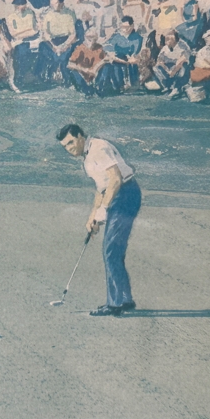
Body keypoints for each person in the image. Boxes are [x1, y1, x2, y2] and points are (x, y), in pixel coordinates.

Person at [57, 123, 141, 316]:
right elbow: (101, 188)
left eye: (71, 142)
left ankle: (116, 303)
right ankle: (124, 299)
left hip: (126, 195)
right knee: (113, 250)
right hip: (116, 195)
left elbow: (116, 179)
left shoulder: (99, 148)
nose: (70, 149)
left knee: (111, 250)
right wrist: (93, 216)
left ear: (80, 136)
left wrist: (104, 209)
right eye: (65, 147)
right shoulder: (87, 158)